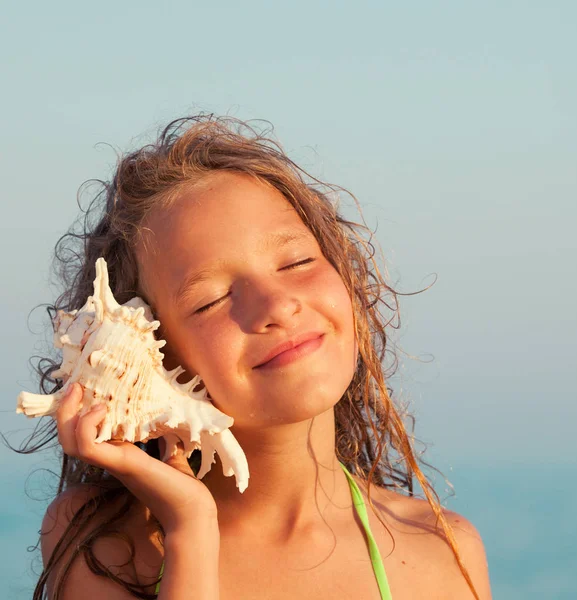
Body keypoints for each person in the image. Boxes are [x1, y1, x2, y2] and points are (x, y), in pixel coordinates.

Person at [26, 115, 492, 599]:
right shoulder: (107, 544)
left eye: (297, 263)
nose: (277, 306)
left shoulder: (439, 549)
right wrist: (190, 530)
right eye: (209, 301)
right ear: (156, 360)